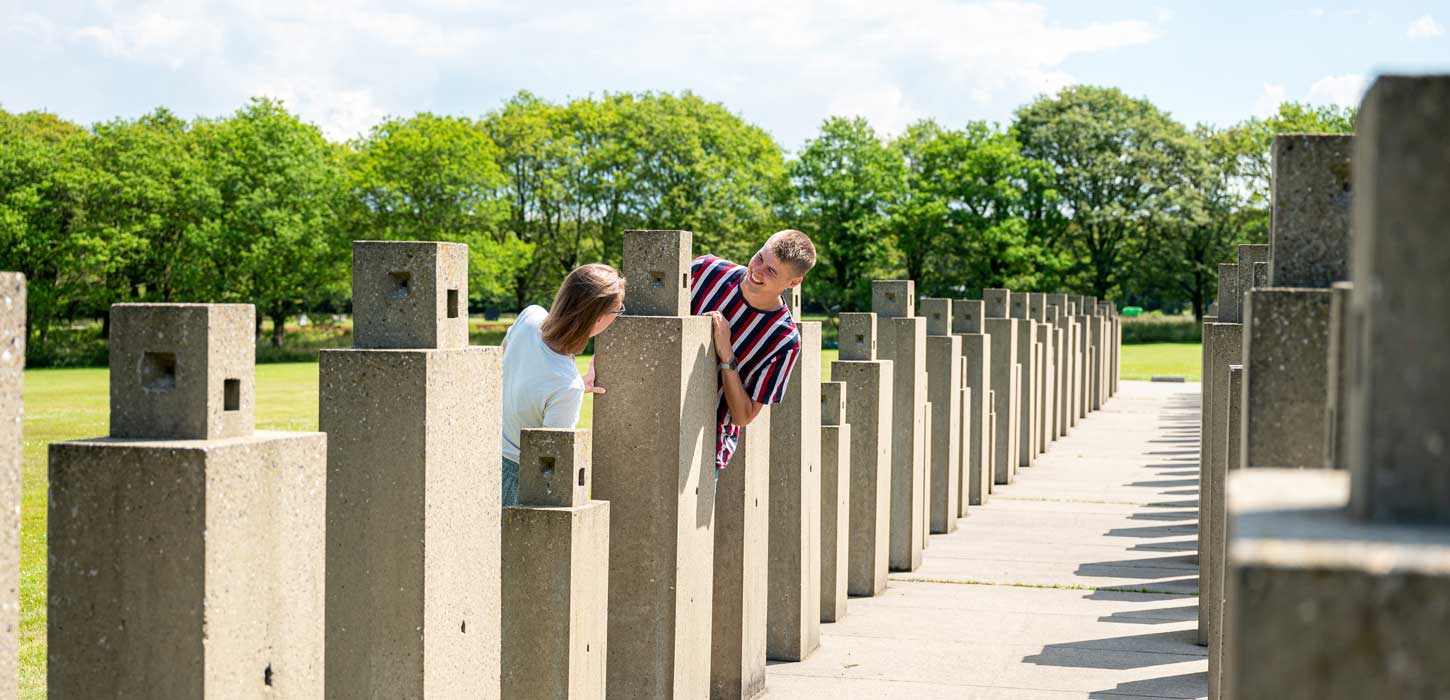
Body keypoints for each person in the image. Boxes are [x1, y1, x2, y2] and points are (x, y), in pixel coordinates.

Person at [690, 229, 817, 472]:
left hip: (704, 451)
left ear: (793, 282)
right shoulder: (705, 270)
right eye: (760, 258)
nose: (757, 271)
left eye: (771, 271)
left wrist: (726, 355)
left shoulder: (784, 340)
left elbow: (744, 416)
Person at [500, 263, 625, 505]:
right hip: (517, 484)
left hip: (482, 462)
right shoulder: (566, 387)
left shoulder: (530, 316)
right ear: (598, 319)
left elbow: (504, 366)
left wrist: (572, 385)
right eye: (618, 311)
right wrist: (570, 389)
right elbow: (551, 464)